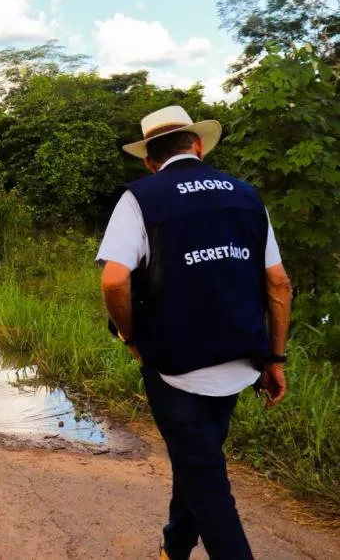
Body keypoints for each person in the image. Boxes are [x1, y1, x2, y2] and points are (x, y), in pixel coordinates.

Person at [97, 105, 292, 560]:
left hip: (173, 368)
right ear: (198, 145)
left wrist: (130, 338)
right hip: (240, 362)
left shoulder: (141, 198)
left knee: (206, 482)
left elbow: (113, 280)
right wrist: (275, 359)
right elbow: (278, 283)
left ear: (149, 159)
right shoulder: (246, 196)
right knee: (197, 460)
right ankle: (175, 547)